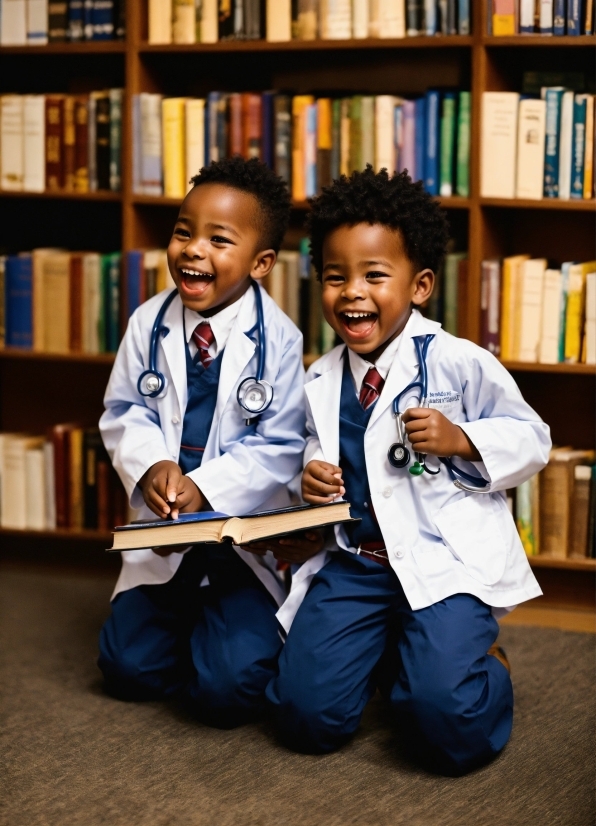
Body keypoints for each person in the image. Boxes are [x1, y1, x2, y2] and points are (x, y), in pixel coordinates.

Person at [264, 166, 551, 774]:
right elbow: (314, 451)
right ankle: (394, 656)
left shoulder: (457, 362)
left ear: (419, 285)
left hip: (444, 562)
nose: (352, 293)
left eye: (374, 275)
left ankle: (486, 668)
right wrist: (310, 478)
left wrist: (464, 438)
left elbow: (532, 438)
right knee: (302, 718)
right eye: (335, 277)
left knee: (447, 729)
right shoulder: (320, 379)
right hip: (360, 564)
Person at [98, 157, 306, 728]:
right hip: (164, 532)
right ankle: (194, 626)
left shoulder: (280, 341)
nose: (193, 250)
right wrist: (156, 463)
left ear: (261, 262)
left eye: (219, 239)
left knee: (226, 693)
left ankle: (228, 636)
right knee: (126, 670)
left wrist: (203, 487)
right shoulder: (149, 323)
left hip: (240, 542)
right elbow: (123, 411)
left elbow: (279, 445)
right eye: (184, 232)